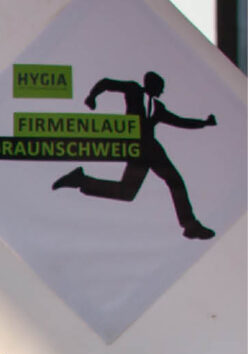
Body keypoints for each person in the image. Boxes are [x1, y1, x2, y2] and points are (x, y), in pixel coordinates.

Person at [52, 71, 220, 240]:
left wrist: (204, 123)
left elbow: (180, 121)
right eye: (160, 88)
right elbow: (107, 82)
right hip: (137, 149)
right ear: (151, 84)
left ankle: (190, 225)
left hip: (153, 150)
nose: (161, 92)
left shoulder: (158, 108)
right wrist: (92, 96)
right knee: (127, 192)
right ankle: (81, 180)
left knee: (172, 181)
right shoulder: (133, 90)